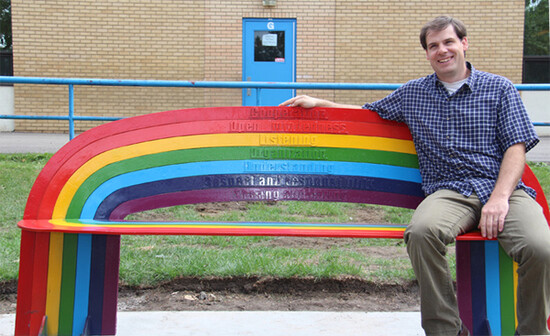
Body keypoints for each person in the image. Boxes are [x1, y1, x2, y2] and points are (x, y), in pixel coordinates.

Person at [280, 16, 550, 336]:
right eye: (433, 46)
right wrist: (318, 103)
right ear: (427, 54)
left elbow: (516, 147)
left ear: (463, 44)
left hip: (504, 191)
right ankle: (446, 330)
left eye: (448, 42)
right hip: (449, 192)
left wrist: (500, 198)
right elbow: (368, 114)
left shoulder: (500, 88)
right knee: (421, 234)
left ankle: (533, 332)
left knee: (540, 247)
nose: (442, 50)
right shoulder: (414, 93)